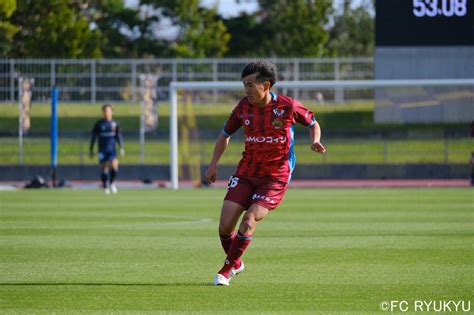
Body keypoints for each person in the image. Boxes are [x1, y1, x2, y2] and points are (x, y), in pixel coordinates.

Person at [205, 60, 326, 286]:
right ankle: (237, 262)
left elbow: (313, 123)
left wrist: (315, 140)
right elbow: (225, 134)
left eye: (251, 84)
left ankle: (225, 270)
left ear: (266, 85)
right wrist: (213, 165)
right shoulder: (242, 108)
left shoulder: (287, 106)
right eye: (244, 84)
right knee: (224, 227)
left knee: (249, 220)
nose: (246, 89)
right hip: (246, 171)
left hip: (275, 176)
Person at [89, 104, 125, 194]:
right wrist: (91, 150)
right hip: (102, 150)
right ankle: (105, 186)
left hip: (112, 149)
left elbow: (119, 136)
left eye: (108, 111)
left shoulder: (115, 124)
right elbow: (94, 137)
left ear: (111, 112)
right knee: (104, 168)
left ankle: (112, 183)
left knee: (114, 165)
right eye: (105, 111)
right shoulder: (99, 124)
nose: (107, 113)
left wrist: (121, 147)